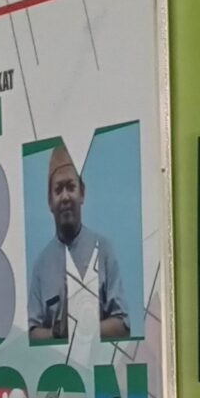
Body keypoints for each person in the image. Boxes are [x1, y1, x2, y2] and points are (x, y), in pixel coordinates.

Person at [27, 144, 131, 341]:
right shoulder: (41, 266)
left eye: (71, 187)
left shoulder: (104, 250)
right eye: (58, 189)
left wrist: (83, 329)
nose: (65, 196)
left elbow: (123, 325)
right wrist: (56, 334)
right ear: (50, 201)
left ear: (82, 193)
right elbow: (32, 333)